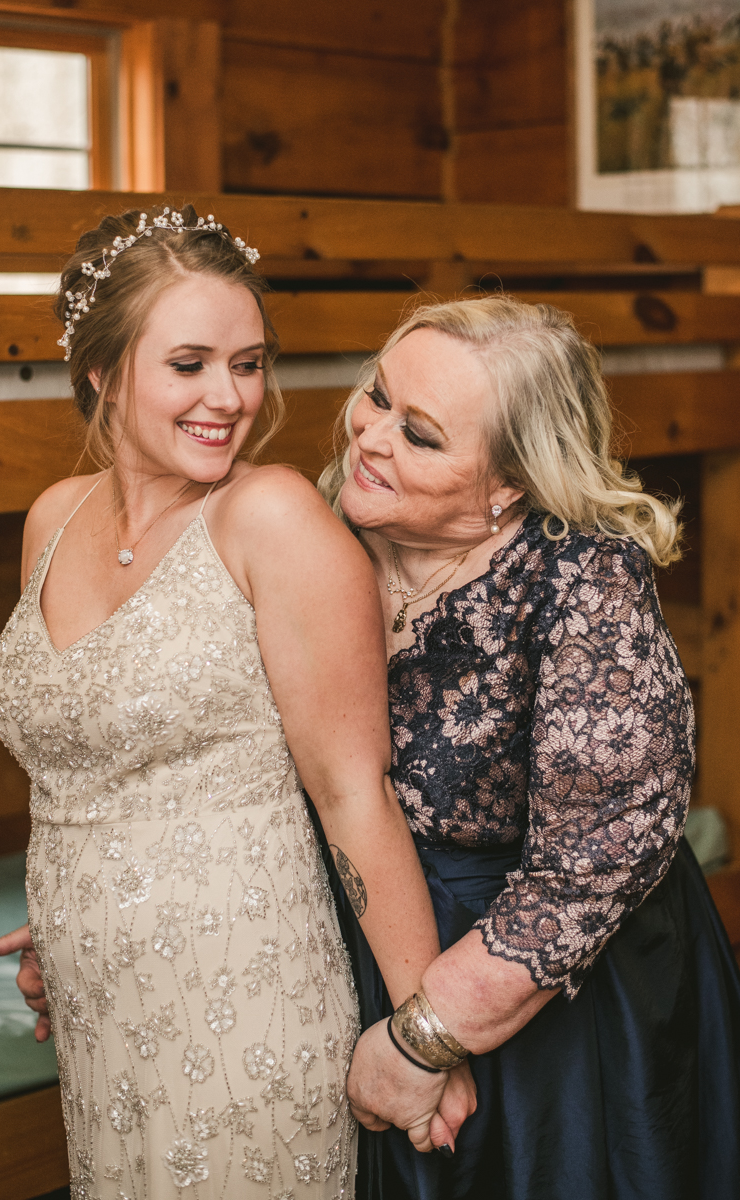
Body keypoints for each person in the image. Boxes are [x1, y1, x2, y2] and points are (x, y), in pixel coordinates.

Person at [0, 205, 444, 1199]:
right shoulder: (52, 520)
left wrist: (423, 1032)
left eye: (247, 362)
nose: (228, 398)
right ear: (102, 372)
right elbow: (74, 759)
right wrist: (63, 918)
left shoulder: (268, 515)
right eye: (188, 364)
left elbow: (354, 792)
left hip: (243, 997)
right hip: (99, 1009)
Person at [316, 295, 740, 1200]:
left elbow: (591, 865)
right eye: (377, 395)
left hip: (544, 981)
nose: (370, 436)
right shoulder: (320, 525)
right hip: (367, 933)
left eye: (420, 435)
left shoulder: (583, 578)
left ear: (509, 480)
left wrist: (421, 1040)